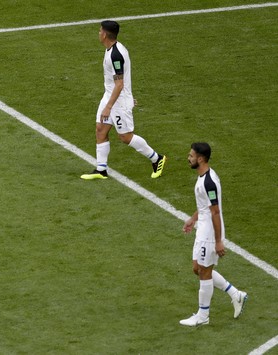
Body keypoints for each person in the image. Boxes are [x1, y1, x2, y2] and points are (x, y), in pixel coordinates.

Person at [81, 20, 166, 180]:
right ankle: (101, 169)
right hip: (110, 95)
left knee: (125, 136)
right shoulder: (113, 49)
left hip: (117, 101)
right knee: (100, 129)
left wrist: (109, 106)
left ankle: (157, 158)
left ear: (105, 34)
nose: (98, 33)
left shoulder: (115, 55)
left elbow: (119, 84)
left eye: (100, 31)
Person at [179, 143, 247, 326]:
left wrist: (218, 241)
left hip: (209, 232)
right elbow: (204, 206)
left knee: (205, 270)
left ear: (200, 159)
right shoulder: (203, 177)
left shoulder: (208, 182)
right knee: (197, 268)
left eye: (191, 155)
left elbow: (215, 212)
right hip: (202, 227)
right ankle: (236, 294)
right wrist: (192, 219)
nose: (188, 158)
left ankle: (203, 317)